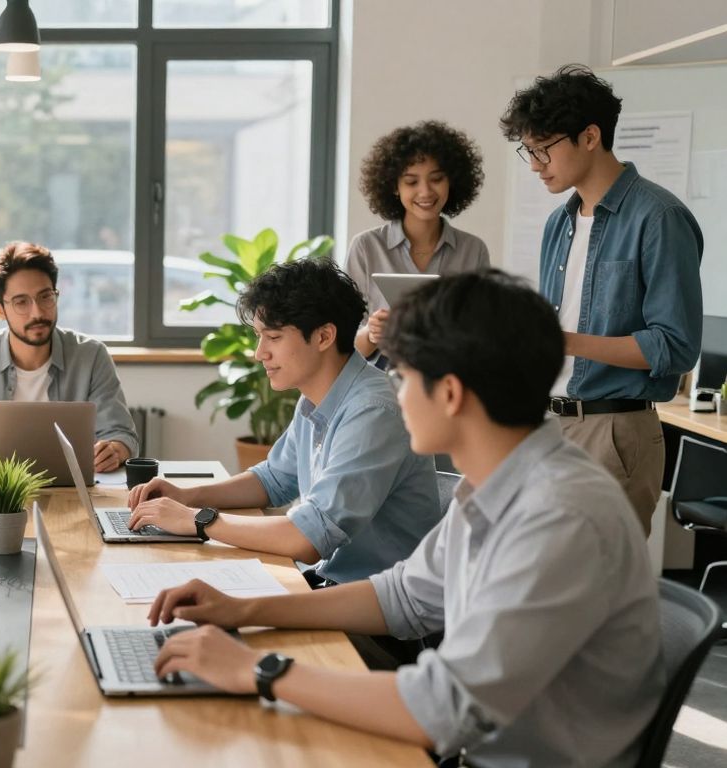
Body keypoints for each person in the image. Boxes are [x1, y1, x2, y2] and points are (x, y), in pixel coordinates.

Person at [146, 271, 664, 767]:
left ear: (450, 393)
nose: (394, 391)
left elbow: (444, 710)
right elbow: (403, 597)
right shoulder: (500, 482)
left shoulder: (558, 514)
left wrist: (258, 669)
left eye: (405, 376)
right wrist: (243, 609)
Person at [127, 258, 440, 587]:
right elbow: (273, 480)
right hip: (330, 585)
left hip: (374, 605)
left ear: (323, 337)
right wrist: (188, 496)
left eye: (273, 337)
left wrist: (198, 519)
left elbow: (309, 537)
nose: (259, 353)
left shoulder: (373, 410)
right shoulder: (315, 397)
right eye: (258, 337)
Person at [502, 63, 704, 534]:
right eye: (528, 150)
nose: (534, 165)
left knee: (596, 577)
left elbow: (675, 348)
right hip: (547, 425)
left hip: (612, 430)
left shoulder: (659, 217)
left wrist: (565, 341)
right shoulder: (559, 223)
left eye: (544, 149)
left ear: (590, 136)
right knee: (540, 571)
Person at [0, 241, 139, 471]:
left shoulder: (91, 355)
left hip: (72, 487)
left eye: (45, 297)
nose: (37, 313)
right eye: (21, 302)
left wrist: (114, 451)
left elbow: (122, 434)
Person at [347, 120, 490, 363]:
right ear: (394, 186)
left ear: (451, 180)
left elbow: (483, 336)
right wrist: (371, 333)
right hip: (381, 380)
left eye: (436, 179)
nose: (425, 192)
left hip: (449, 377)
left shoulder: (473, 250)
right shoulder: (366, 247)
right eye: (411, 182)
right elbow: (343, 349)